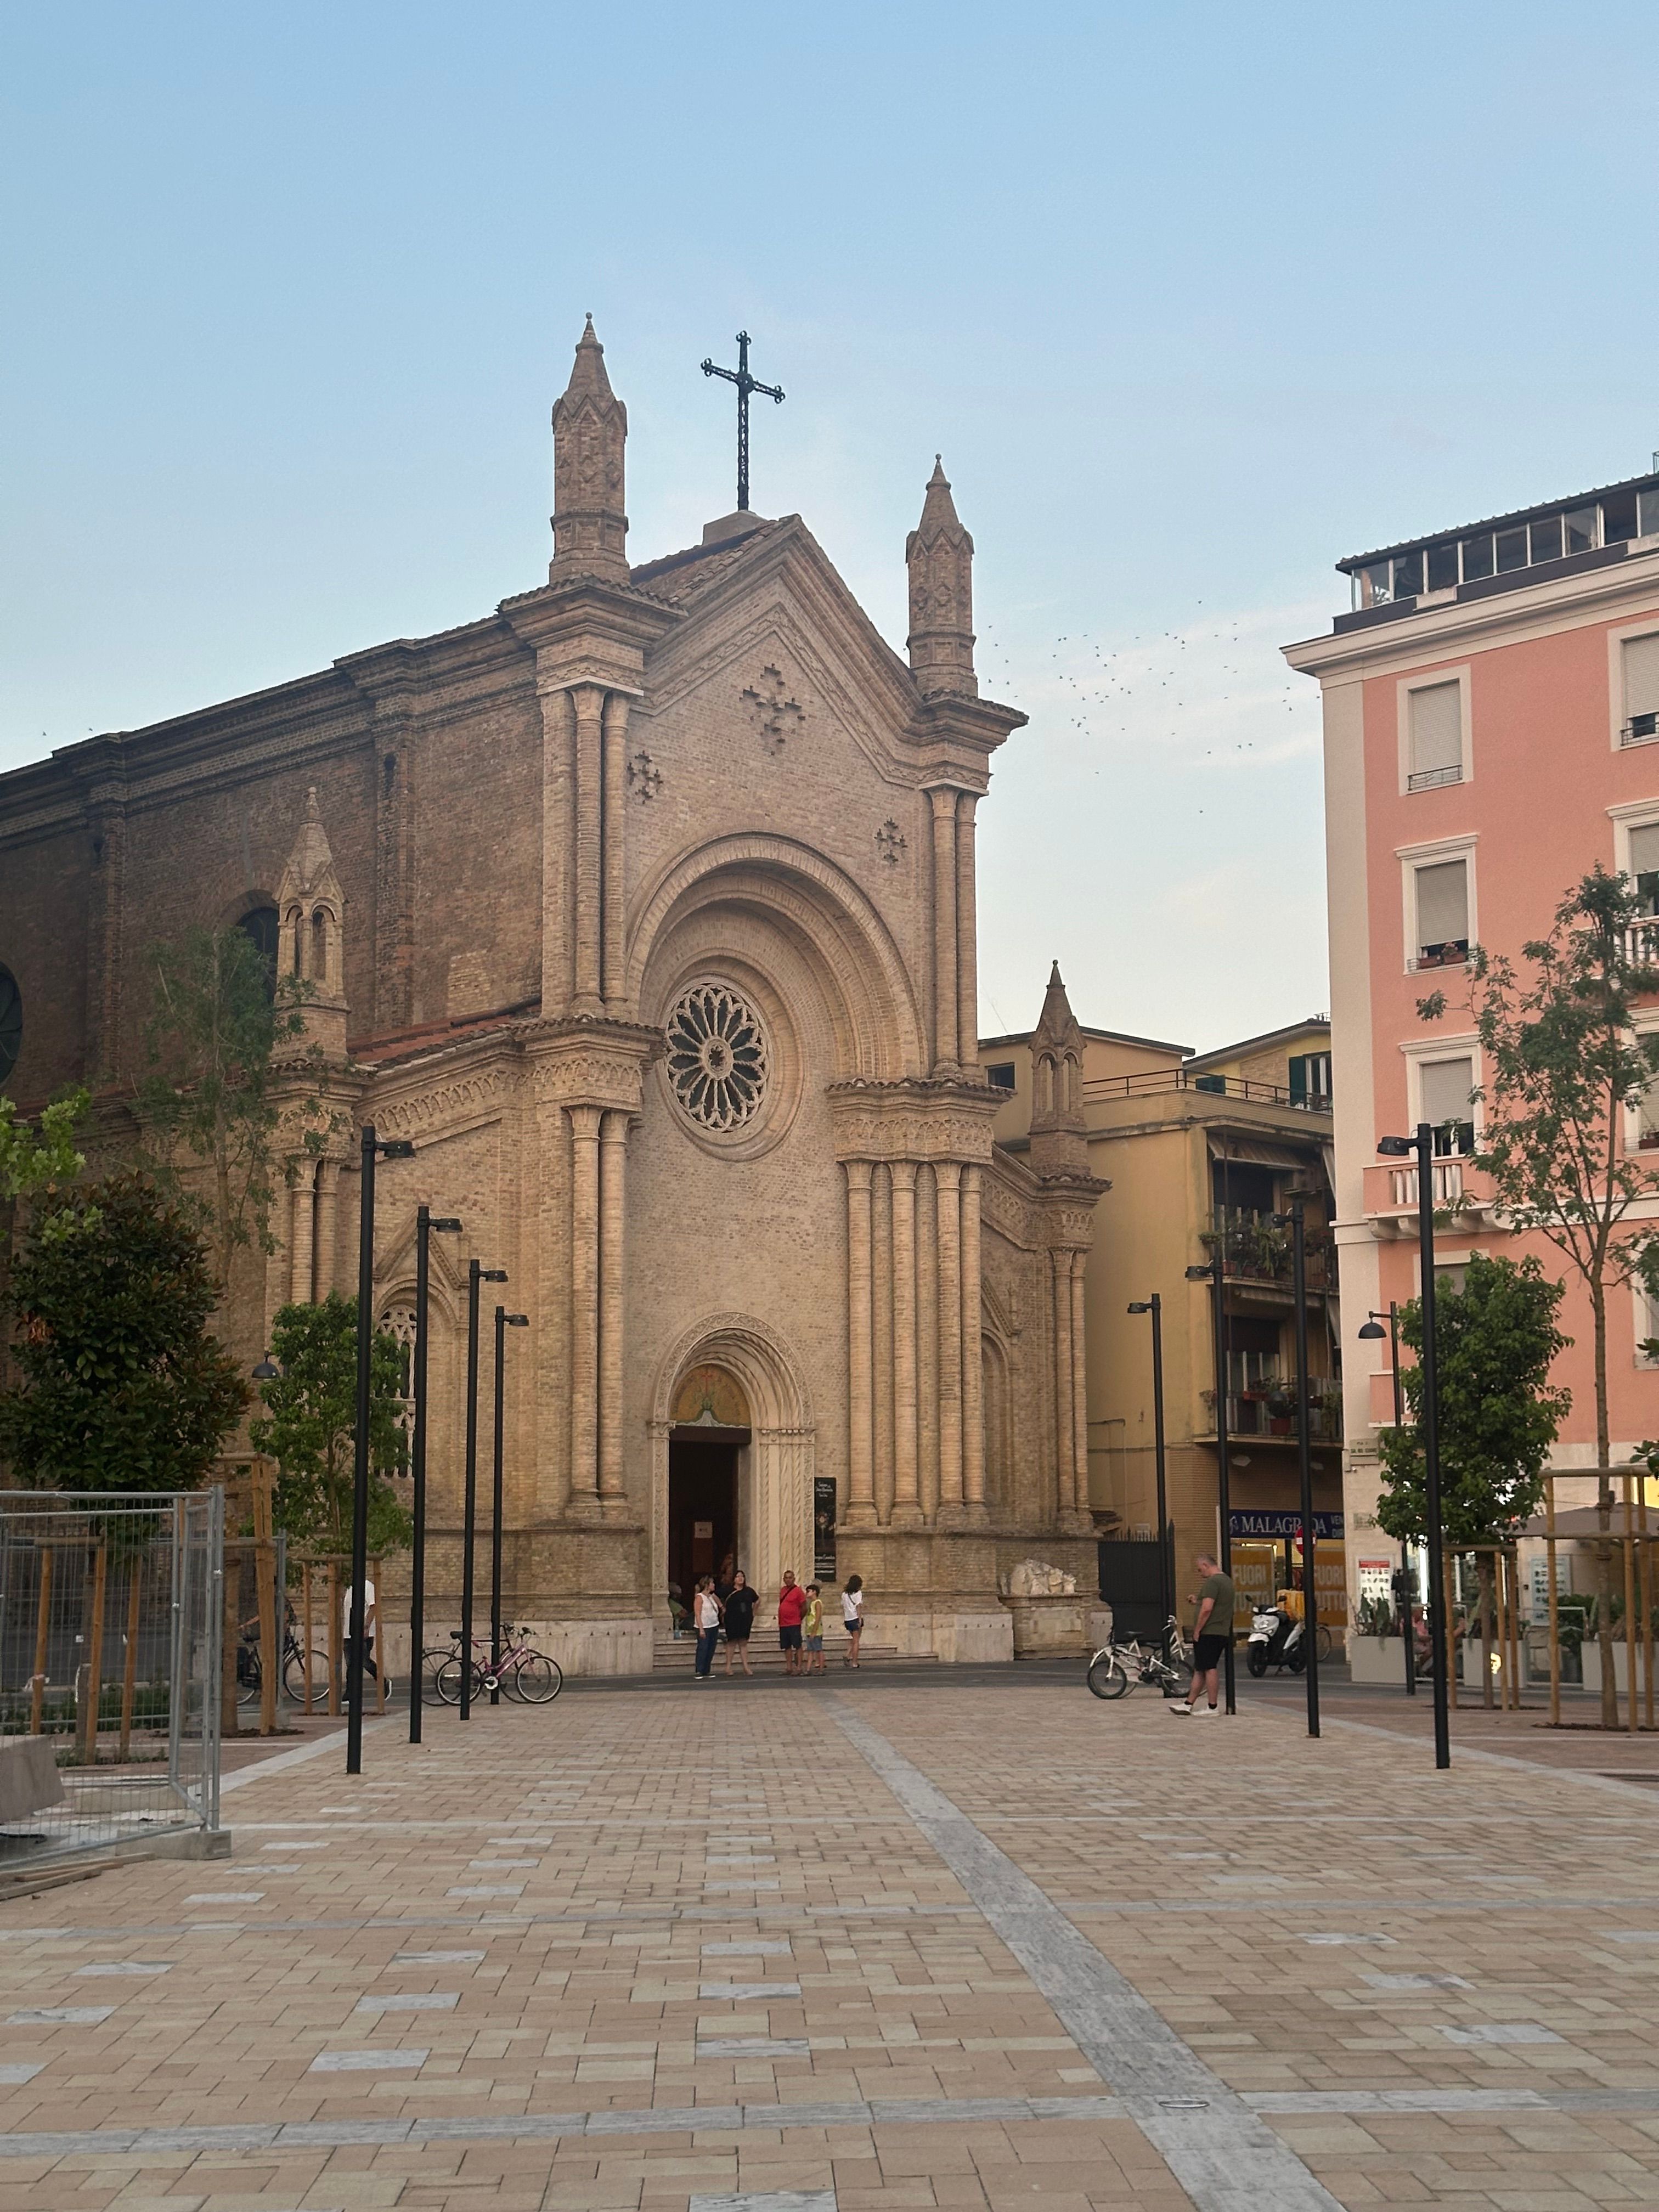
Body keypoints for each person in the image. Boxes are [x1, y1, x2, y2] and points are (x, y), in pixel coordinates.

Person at [1170, 1553, 1233, 1716]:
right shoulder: (1227, 1581)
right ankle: (1188, 1704)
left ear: (1206, 1565)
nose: (1200, 1573)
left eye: (1200, 1570)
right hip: (1221, 1630)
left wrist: (1197, 1630)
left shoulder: (1212, 1582)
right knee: (1200, 1668)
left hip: (1209, 1631)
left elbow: (1207, 1609)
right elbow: (1215, 1603)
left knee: (1209, 1668)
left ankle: (1212, 1707)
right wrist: (1197, 1600)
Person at [343, 1572, 377, 1705]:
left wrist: (366, 1626)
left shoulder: (367, 1586)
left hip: (363, 1633)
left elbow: (373, 1607)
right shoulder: (348, 1588)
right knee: (351, 1664)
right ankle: (350, 1693)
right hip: (348, 1632)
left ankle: (382, 1680)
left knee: (363, 1661)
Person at [722, 1570, 759, 1675]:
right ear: (734, 1579)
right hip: (732, 1619)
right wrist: (722, 1607)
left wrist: (753, 1612)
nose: (740, 1578)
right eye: (738, 1576)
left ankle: (746, 1667)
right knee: (732, 1642)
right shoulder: (729, 1590)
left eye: (742, 1576)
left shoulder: (749, 1591)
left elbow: (757, 1600)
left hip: (745, 1619)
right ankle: (728, 1667)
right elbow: (714, 1595)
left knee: (743, 1642)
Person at [776, 1568, 808, 1674]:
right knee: (787, 1646)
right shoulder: (783, 1590)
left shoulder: (798, 1591)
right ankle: (789, 1667)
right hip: (784, 1623)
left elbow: (804, 1607)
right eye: (786, 1578)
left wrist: (799, 1618)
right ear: (784, 1579)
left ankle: (799, 1667)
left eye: (790, 1578)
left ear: (794, 1579)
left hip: (794, 1623)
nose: (788, 1580)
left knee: (797, 1645)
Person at [693, 1576, 722, 1683]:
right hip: (704, 1626)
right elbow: (698, 1613)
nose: (714, 1585)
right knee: (703, 1648)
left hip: (713, 1625)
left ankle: (707, 1669)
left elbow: (718, 1603)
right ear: (707, 1585)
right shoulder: (700, 1597)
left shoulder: (711, 1596)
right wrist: (701, 1629)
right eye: (712, 1583)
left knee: (711, 1648)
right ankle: (699, 1670)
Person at [842, 1573, 865, 1667]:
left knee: (855, 1639)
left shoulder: (844, 1594)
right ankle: (854, 1662)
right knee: (856, 1641)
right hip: (855, 1618)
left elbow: (843, 1606)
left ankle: (847, 1655)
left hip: (848, 1619)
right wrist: (860, 1619)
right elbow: (858, 1606)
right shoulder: (858, 1593)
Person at [802, 1583, 825, 1674]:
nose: (807, 1593)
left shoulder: (817, 1603)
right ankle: (808, 1669)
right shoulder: (811, 1603)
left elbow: (818, 1617)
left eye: (809, 1591)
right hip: (809, 1630)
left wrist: (814, 1631)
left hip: (816, 1631)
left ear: (814, 1592)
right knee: (810, 1650)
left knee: (818, 1650)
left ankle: (821, 1669)